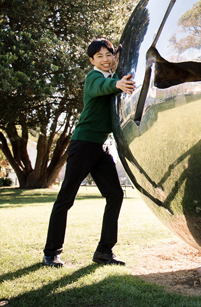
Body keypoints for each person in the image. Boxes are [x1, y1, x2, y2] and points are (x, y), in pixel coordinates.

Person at [42, 39, 135, 267]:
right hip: (83, 144)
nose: (105, 59)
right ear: (92, 60)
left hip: (101, 147)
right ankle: (51, 253)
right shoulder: (94, 77)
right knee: (66, 198)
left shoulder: (114, 79)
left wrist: (119, 81)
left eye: (108, 55)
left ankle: (104, 252)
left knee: (115, 195)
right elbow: (100, 88)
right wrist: (117, 84)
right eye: (99, 56)